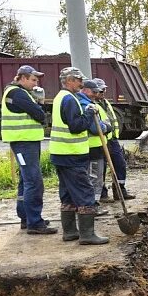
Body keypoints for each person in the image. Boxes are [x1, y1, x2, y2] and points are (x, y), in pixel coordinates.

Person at [50, 67, 109, 245]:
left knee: (67, 193)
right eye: (78, 80)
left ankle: (70, 232)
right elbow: (76, 126)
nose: (81, 84)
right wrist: (89, 114)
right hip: (71, 154)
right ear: (69, 80)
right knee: (85, 192)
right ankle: (87, 235)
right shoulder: (69, 99)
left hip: (61, 154)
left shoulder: (60, 97)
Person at [0, 65, 56, 234]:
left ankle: (26, 218)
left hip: (25, 142)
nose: (36, 83)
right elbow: (39, 115)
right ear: (22, 78)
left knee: (26, 181)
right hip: (24, 143)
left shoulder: (17, 92)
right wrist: (39, 104)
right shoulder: (17, 93)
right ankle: (35, 223)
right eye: (33, 80)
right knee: (34, 182)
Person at [93, 78, 135, 202]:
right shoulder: (93, 105)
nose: (103, 92)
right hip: (101, 140)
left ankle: (120, 190)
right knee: (102, 168)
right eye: (100, 90)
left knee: (120, 163)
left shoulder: (106, 103)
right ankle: (102, 194)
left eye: (104, 90)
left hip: (112, 139)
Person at [78, 80, 110, 216]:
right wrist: (106, 127)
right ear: (85, 90)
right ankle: (93, 206)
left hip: (95, 147)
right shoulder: (86, 105)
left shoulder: (91, 103)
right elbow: (95, 128)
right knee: (94, 178)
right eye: (94, 92)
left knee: (94, 178)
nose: (96, 94)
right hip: (93, 148)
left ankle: (92, 204)